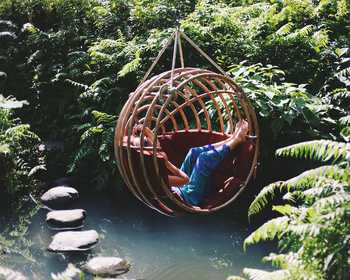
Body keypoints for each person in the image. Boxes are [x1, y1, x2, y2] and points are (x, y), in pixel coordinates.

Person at [126, 120, 249, 207]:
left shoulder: (145, 162)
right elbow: (185, 180)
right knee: (203, 159)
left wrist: (145, 130)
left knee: (193, 152)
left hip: (183, 188)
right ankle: (236, 140)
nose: (154, 143)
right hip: (190, 196)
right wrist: (168, 164)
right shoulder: (155, 177)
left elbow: (155, 145)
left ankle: (230, 140)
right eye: (148, 142)